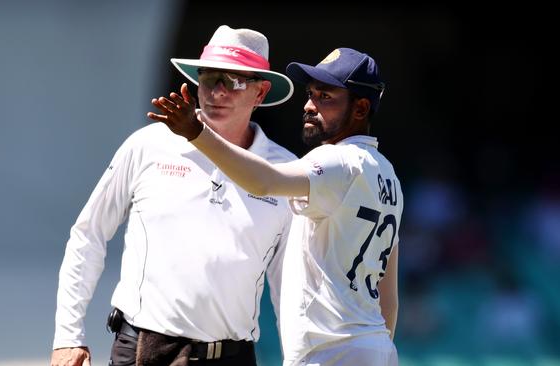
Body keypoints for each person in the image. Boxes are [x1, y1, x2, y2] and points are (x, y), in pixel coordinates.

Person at [50, 25, 297, 366]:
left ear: (260, 92)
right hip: (141, 351)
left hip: (231, 357)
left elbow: (292, 284)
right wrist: (67, 336)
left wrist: (298, 359)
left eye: (233, 80)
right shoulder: (149, 144)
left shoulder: (287, 171)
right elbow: (88, 235)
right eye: (209, 78)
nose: (218, 91)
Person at [149, 47, 403, 365]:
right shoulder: (387, 174)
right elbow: (389, 299)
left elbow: (264, 181)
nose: (309, 106)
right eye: (310, 95)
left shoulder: (337, 160)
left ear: (361, 108)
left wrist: (197, 133)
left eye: (325, 97)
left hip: (330, 353)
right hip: (375, 348)